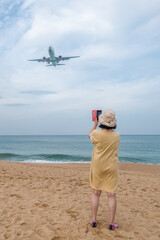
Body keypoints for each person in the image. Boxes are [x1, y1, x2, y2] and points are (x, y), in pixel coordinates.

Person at [89, 109, 120, 230]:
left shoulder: (96, 134)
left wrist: (94, 124)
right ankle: (111, 224)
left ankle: (93, 221)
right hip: (111, 167)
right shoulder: (116, 135)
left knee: (96, 193)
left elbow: (90, 135)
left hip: (98, 166)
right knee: (111, 195)